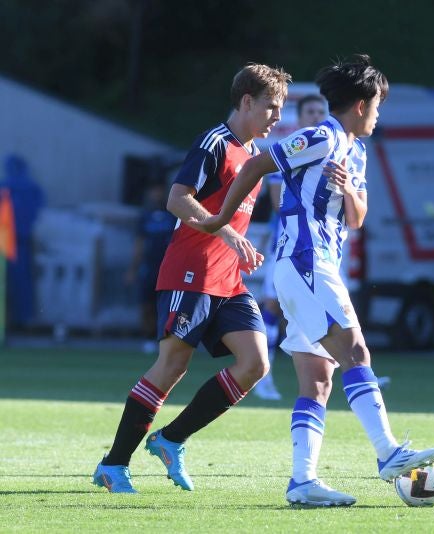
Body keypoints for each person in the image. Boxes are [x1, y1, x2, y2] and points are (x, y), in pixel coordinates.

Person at [190, 54, 434, 507]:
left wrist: (348, 189)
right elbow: (255, 167)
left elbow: (358, 218)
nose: (379, 115)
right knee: (357, 351)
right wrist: (219, 221)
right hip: (304, 263)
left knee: (319, 379)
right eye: (379, 105)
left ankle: (303, 482)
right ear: (362, 104)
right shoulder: (321, 137)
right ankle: (387, 453)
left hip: (317, 266)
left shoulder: (356, 151)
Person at [92, 63, 291, 493]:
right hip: (190, 271)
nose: (276, 116)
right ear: (246, 102)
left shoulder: (254, 153)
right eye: (272, 107)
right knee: (172, 364)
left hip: (228, 278)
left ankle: (171, 439)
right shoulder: (214, 143)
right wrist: (227, 232)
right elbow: (176, 200)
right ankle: (113, 465)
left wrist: (239, 244)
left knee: (255, 363)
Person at [254, 94, 328, 401]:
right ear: (299, 118)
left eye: (320, 111)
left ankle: (352, 371)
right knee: (272, 306)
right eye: (310, 111)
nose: (316, 115)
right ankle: (261, 374)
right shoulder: (288, 149)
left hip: (320, 243)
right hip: (287, 240)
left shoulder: (330, 149)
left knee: (317, 308)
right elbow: (276, 201)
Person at [125, 182, 176, 353]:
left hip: (167, 267)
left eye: (159, 191)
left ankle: (163, 337)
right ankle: (147, 337)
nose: (156, 194)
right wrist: (133, 268)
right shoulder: (145, 216)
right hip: (149, 266)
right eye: (153, 191)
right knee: (146, 304)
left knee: (165, 306)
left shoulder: (173, 215)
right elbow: (139, 244)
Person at [0, 154, 45, 329]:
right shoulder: (33, 188)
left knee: (5, 283)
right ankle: (23, 319)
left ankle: (7, 321)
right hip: (24, 242)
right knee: (23, 282)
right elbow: (39, 213)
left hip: (5, 243)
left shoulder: (4, 187)